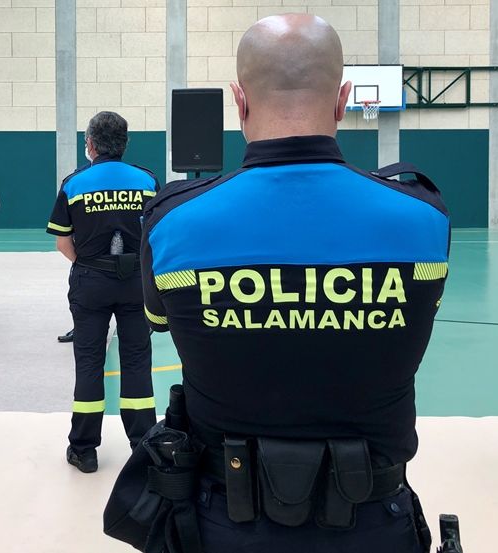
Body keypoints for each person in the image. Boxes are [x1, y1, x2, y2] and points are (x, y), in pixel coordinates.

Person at [137, 14, 450, 552]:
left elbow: (159, 320)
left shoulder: (173, 222)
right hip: (373, 521)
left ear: (239, 100)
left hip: (222, 524)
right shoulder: (422, 219)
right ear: (344, 98)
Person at [47, 111, 158, 473]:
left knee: (90, 362)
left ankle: (84, 449)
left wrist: (90, 265)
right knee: (138, 362)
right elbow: (156, 238)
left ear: (91, 144)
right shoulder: (148, 182)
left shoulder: (74, 183)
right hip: (135, 285)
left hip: (90, 282)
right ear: (125, 143)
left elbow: (63, 242)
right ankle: (142, 445)